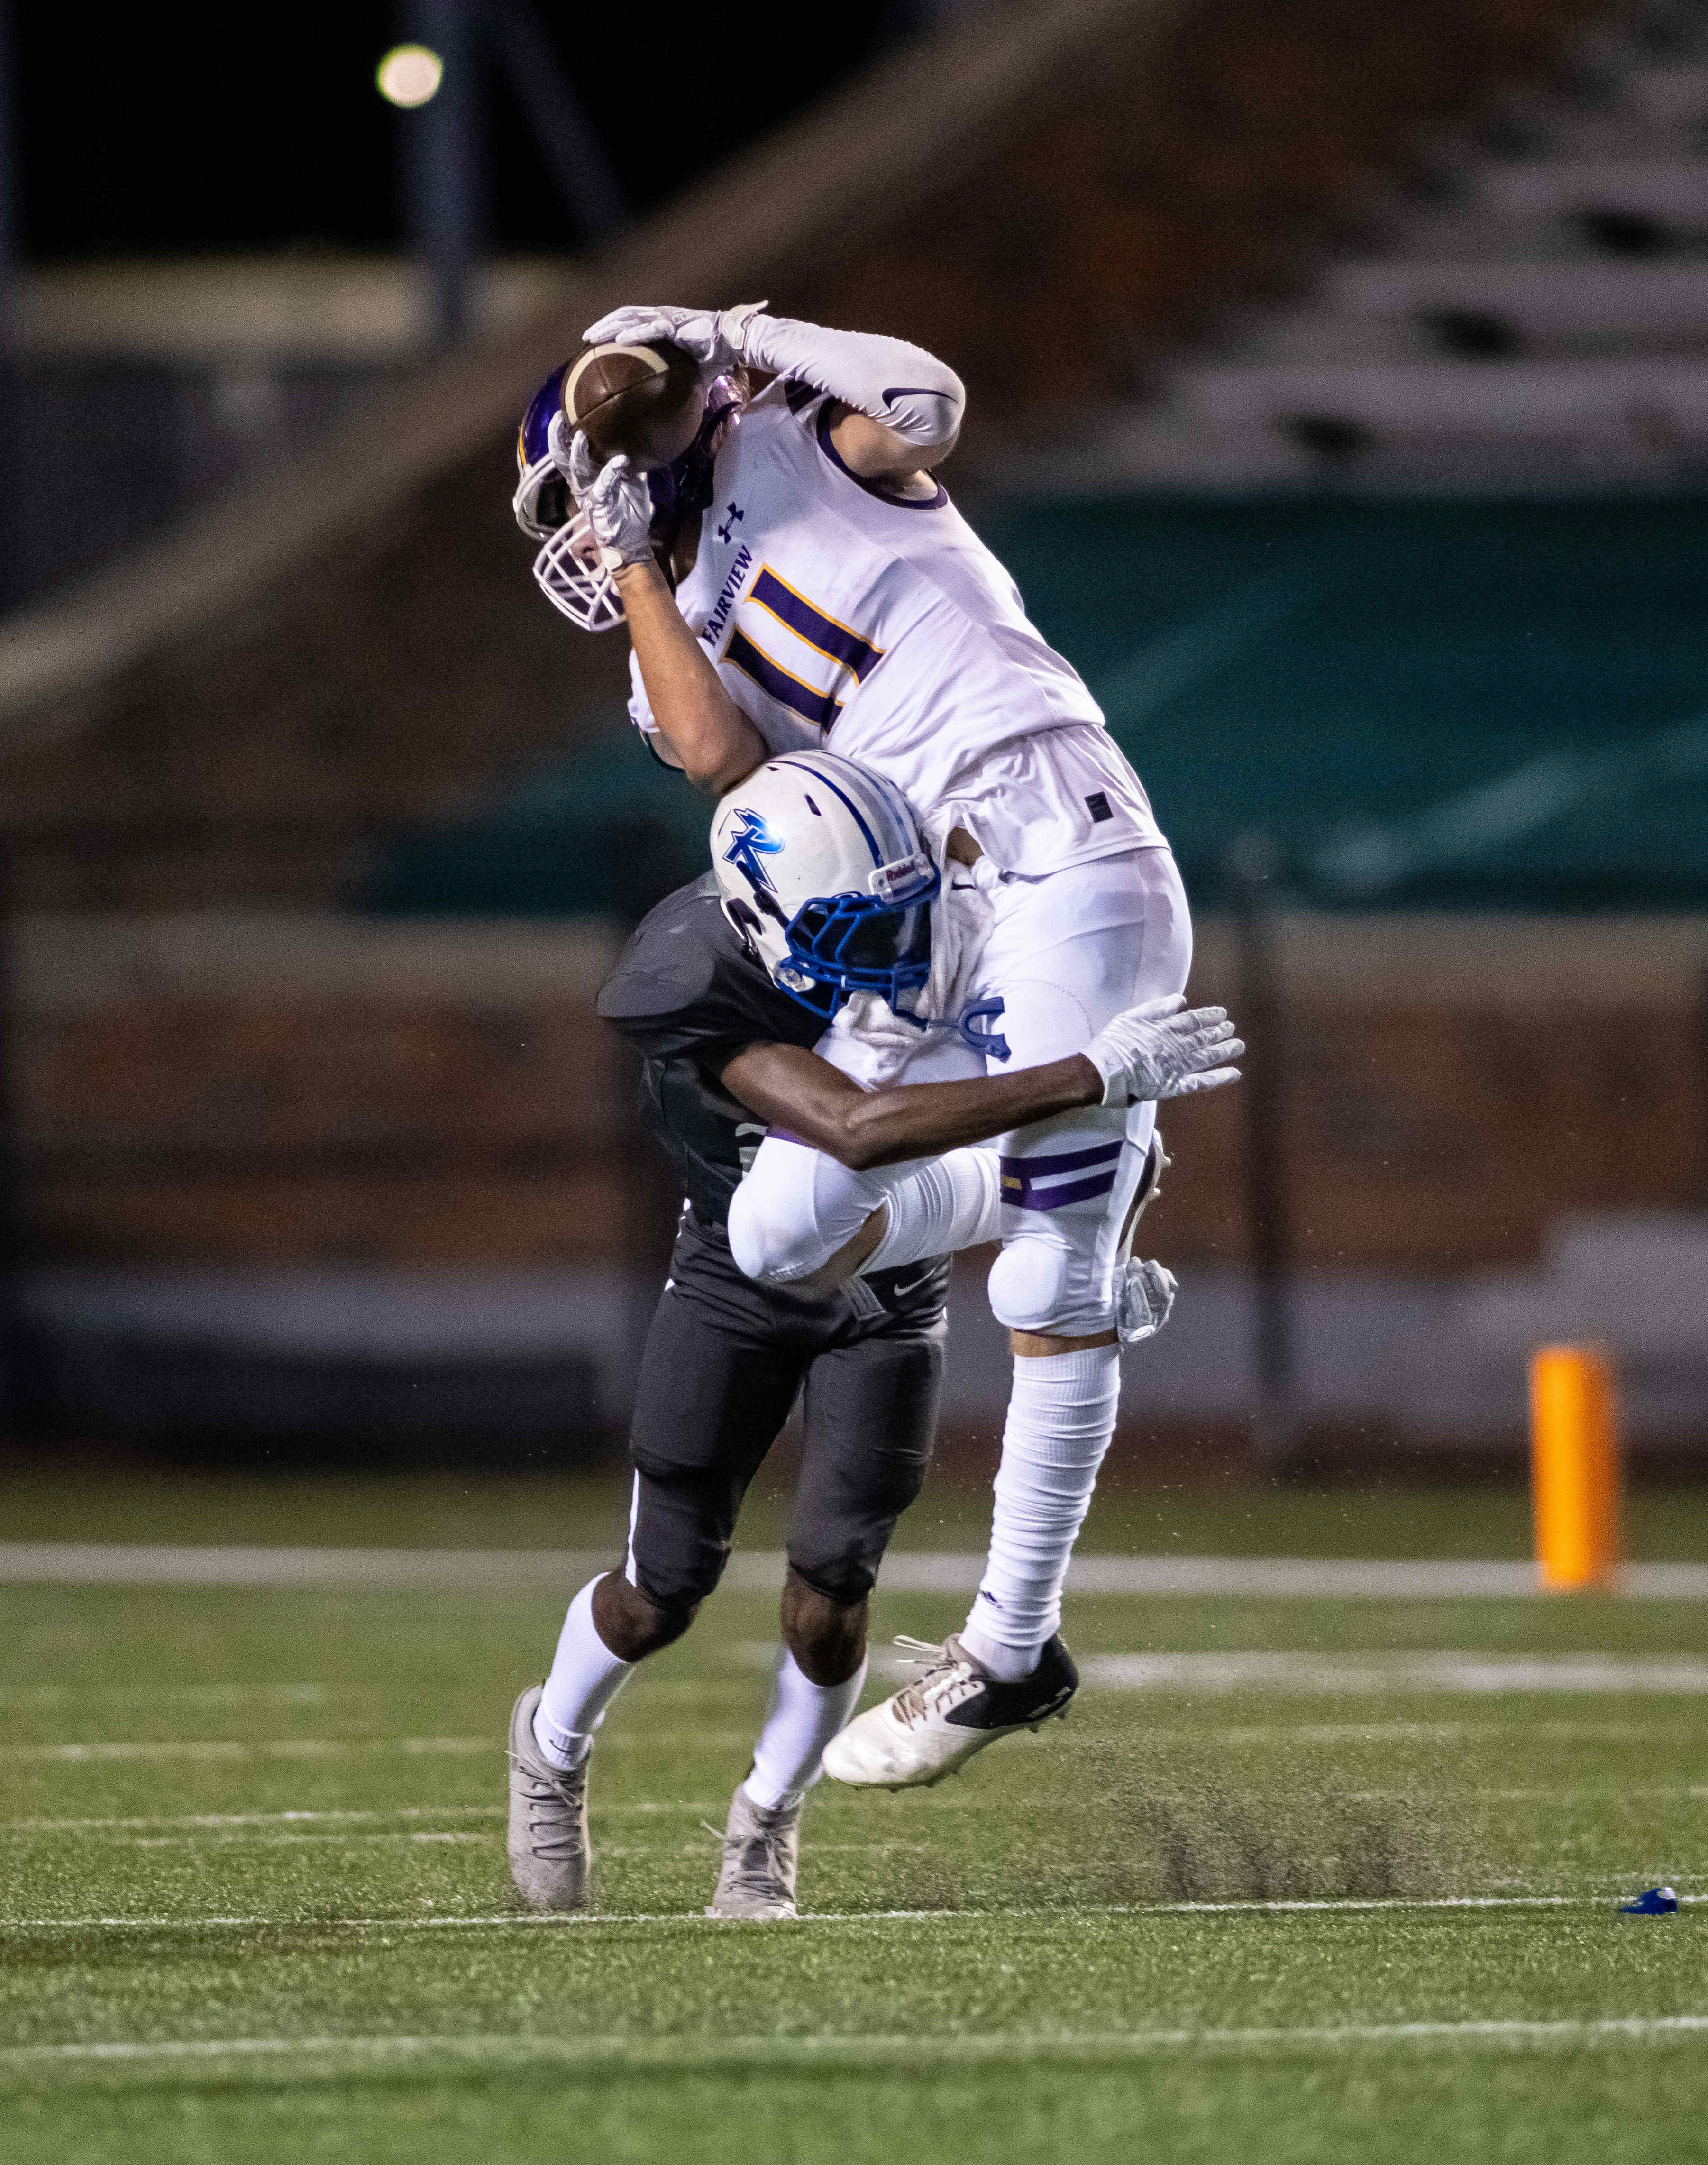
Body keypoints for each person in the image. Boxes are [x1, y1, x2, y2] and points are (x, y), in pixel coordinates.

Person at [515, 304, 1213, 1786]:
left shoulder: (797, 440)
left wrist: (719, 331)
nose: (580, 527)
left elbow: (933, 394)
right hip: (925, 917)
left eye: (584, 489)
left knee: (1043, 1273)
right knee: (780, 1224)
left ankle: (1013, 1646)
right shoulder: (657, 629)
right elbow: (717, 759)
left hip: (1052, 845)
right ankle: (1088, 1180)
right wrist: (640, 554)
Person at [508, 754, 1239, 1914]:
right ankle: (550, 1746)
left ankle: (764, 1825)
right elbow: (854, 1126)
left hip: (895, 1279)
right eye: (854, 932)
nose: (890, 957)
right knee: (663, 1584)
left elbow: (1018, 1172)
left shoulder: (931, 903)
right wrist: (1086, 1072)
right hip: (738, 1273)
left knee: (834, 1583)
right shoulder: (690, 975)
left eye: (897, 918)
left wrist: (1092, 1267)